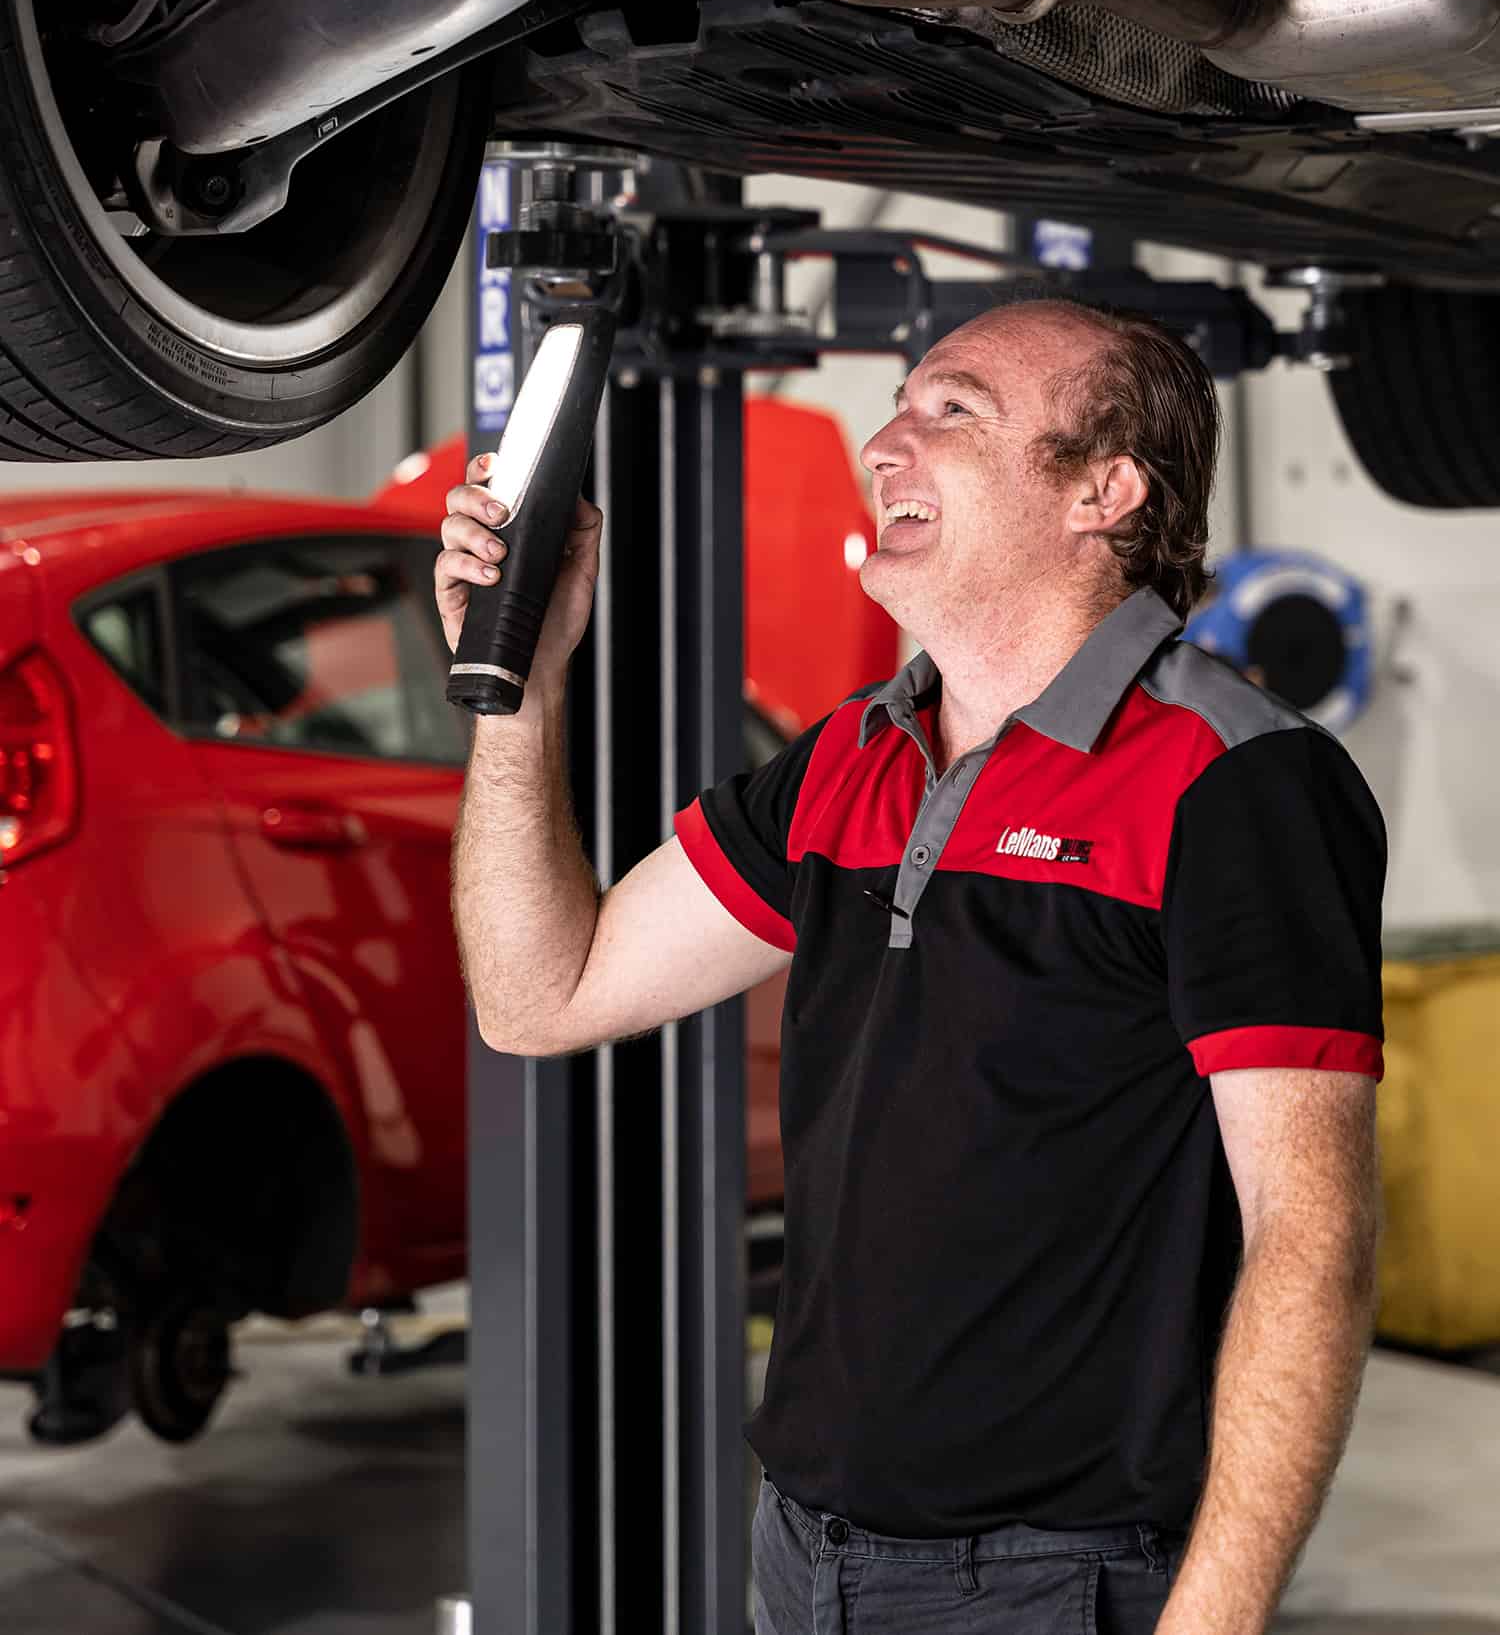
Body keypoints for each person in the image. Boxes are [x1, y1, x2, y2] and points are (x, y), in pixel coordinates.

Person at [436, 300, 1386, 1635]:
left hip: (1054, 1581)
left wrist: (1213, 1622)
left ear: (1103, 491)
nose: (886, 442)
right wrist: (524, 686)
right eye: (902, 404)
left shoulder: (1231, 781)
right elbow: (544, 995)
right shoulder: (851, 760)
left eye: (953, 412)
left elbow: (1312, 1236)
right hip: (806, 1554)